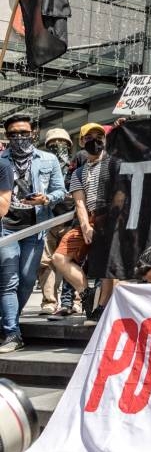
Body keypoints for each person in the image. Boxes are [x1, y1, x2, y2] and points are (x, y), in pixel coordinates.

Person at [0, 115, 67, 353]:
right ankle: (12, 333)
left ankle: (7, 323)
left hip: (35, 228)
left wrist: (46, 198)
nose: (19, 138)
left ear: (33, 133)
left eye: (23, 133)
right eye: (13, 134)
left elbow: (61, 190)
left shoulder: (48, 159)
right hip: (6, 227)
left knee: (28, 280)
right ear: (7, 136)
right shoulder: (1, 160)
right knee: (9, 281)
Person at [48, 124, 114, 322]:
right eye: (89, 137)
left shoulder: (114, 164)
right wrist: (85, 225)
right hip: (90, 218)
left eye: (99, 136)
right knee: (59, 257)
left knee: (107, 267)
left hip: (111, 219)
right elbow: (79, 202)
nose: (95, 140)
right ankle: (86, 294)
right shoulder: (78, 172)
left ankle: (100, 309)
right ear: (82, 141)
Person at [35, 128, 77, 315]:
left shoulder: (76, 166)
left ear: (69, 146)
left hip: (71, 221)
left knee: (72, 261)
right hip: (48, 221)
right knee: (46, 263)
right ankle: (49, 301)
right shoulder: (43, 169)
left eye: (62, 143)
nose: (58, 147)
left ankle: (75, 300)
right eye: (53, 144)